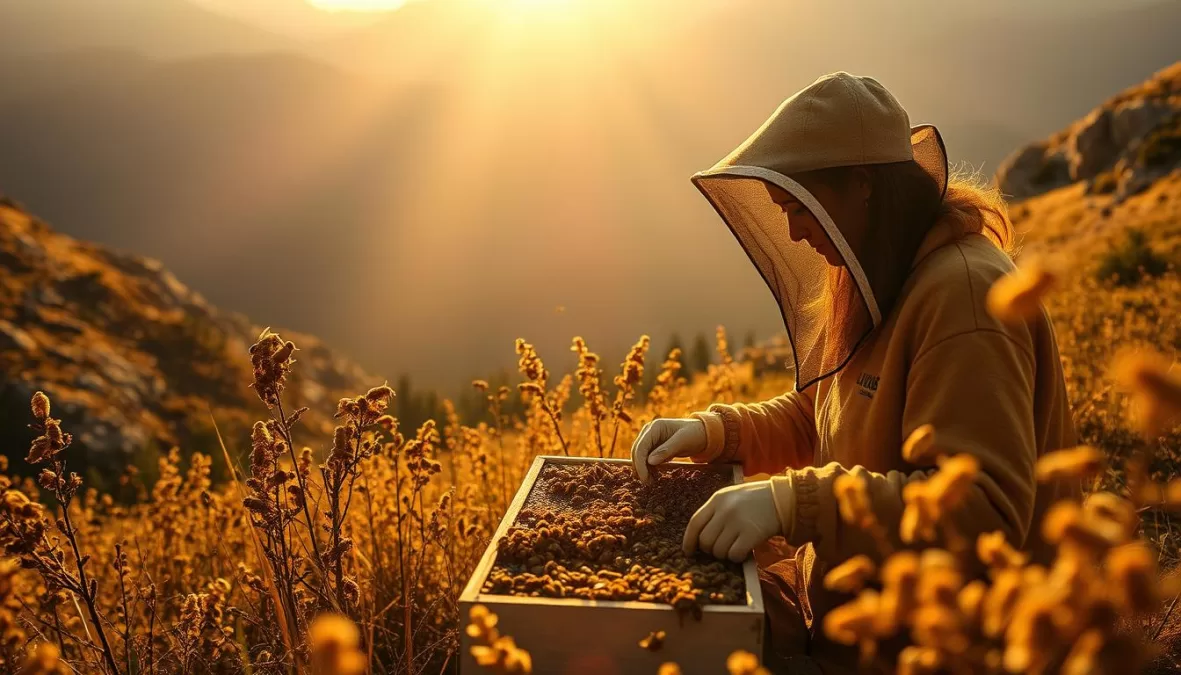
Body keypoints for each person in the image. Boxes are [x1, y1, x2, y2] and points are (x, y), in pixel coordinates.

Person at [630, 72, 1077, 673]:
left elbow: (981, 509)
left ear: (862, 186)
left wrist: (794, 502)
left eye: (799, 208)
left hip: (947, 651)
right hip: (858, 627)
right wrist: (718, 432)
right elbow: (831, 410)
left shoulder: (963, 298)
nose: (792, 231)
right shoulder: (885, 270)